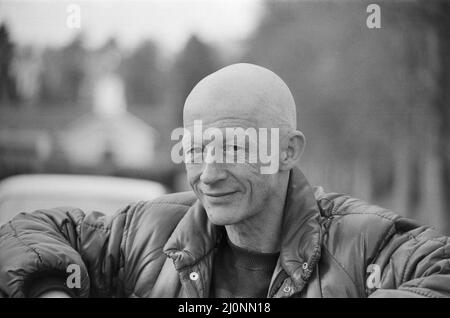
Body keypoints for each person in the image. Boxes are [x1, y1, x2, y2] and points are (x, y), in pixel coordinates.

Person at [0, 63, 449, 298]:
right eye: (194, 148)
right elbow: (25, 231)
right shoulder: (146, 233)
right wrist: (50, 289)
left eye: (234, 147)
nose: (209, 174)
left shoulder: (362, 243)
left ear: (288, 150)